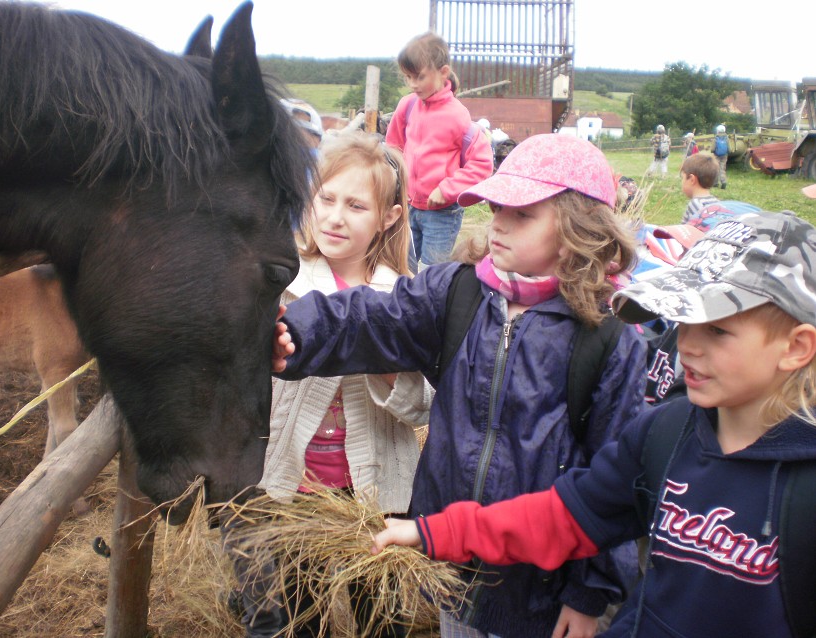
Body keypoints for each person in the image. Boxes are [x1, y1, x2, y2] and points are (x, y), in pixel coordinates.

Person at [371, 208, 816, 638]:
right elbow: (563, 516)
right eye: (684, 320)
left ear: (797, 347)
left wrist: (587, 594)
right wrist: (435, 531)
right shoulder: (666, 433)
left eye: (717, 330)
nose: (688, 346)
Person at [273, 134, 648, 638]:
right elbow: (369, 318)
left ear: (580, 228)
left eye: (522, 214)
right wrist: (294, 333)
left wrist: (588, 594)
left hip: (540, 591)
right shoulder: (459, 292)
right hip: (450, 565)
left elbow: (616, 478)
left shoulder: (609, 340)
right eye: (496, 208)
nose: (498, 224)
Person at [232, 132, 433, 638]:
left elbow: (427, 403)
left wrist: (382, 362)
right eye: (326, 198)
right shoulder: (280, 285)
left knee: (382, 617)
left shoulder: (407, 295)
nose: (334, 217)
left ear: (388, 216)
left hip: (376, 492)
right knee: (307, 609)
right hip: (300, 489)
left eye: (356, 205)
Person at [385, 32, 493, 273]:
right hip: (408, 205)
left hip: (442, 213)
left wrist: (447, 189)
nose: (413, 84)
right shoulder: (408, 105)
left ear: (443, 72)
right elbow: (394, 147)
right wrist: (395, 183)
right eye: (408, 78)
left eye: (420, 77)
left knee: (431, 272)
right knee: (404, 268)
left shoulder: (458, 117)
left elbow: (482, 165)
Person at [679, 153, 720, 224]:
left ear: (692, 179)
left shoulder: (695, 205)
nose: (681, 182)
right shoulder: (718, 202)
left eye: (682, 178)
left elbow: (688, 231)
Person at [711, 124, 729, 189]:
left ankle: (715, 183)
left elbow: (712, 149)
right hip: (724, 155)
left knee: (716, 168)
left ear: (717, 130)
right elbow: (729, 148)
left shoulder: (716, 138)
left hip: (716, 155)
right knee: (722, 169)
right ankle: (723, 181)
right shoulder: (726, 138)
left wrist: (713, 152)